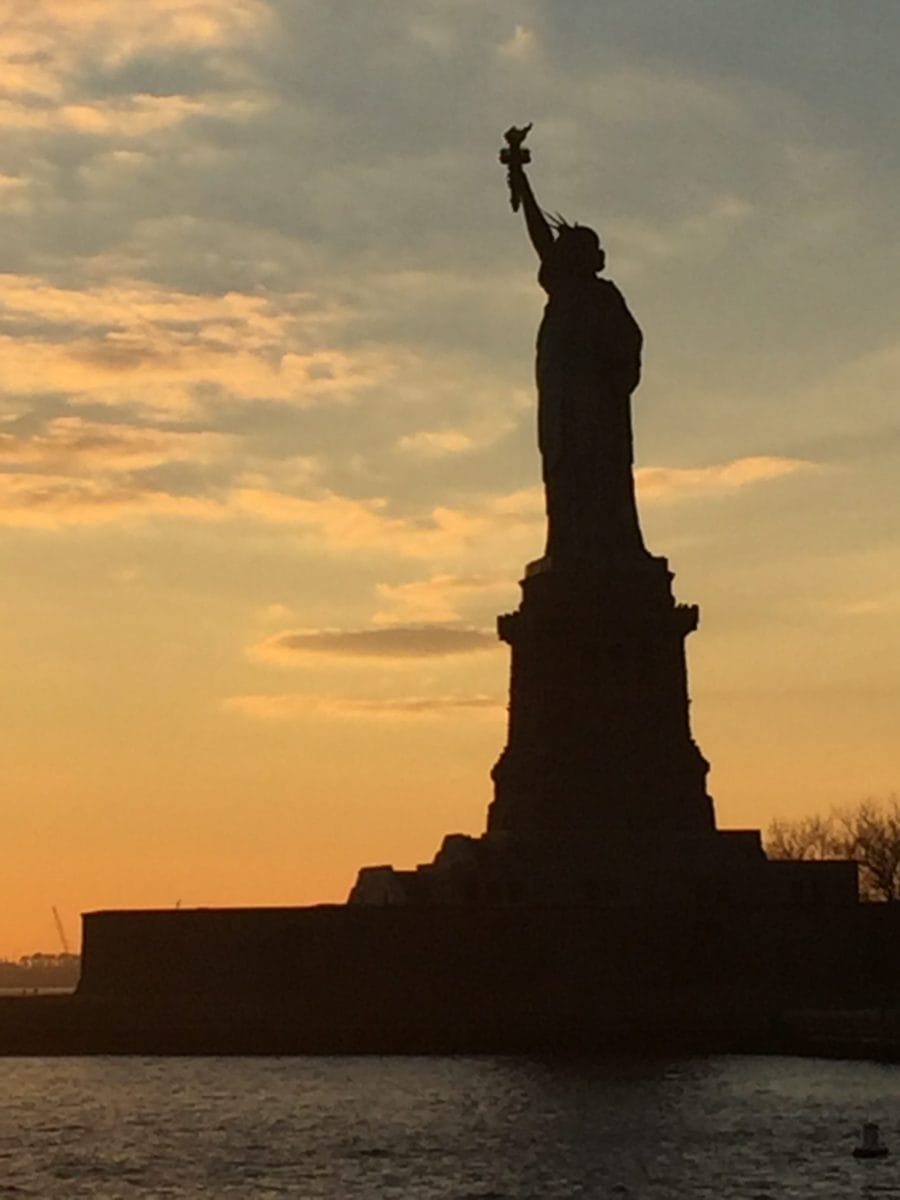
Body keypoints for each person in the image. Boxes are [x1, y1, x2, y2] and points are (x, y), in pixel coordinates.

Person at [502, 126, 647, 567]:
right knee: (566, 477)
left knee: (603, 476)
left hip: (597, 408)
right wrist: (519, 175)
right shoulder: (566, 290)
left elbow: (628, 345)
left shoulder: (603, 297)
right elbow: (538, 235)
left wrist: (613, 374)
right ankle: (566, 548)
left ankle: (613, 550)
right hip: (565, 406)